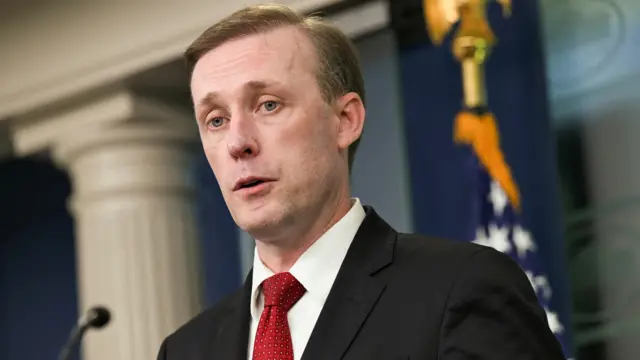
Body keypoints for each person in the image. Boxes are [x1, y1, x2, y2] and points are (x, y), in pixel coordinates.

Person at [156, 3, 566, 360]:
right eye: (216, 120)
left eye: (268, 105)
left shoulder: (461, 290)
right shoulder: (186, 350)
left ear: (345, 120)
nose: (238, 143)